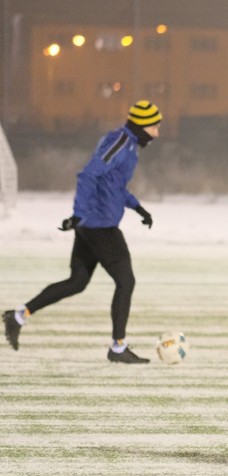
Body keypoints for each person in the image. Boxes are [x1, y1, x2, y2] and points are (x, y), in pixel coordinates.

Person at [3, 100, 162, 364]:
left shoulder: (127, 144)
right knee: (126, 281)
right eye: (154, 126)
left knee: (77, 282)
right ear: (142, 125)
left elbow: (114, 185)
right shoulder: (121, 143)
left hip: (93, 225)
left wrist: (137, 208)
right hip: (100, 227)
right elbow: (88, 175)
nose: (157, 132)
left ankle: (18, 316)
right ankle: (118, 347)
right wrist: (78, 214)